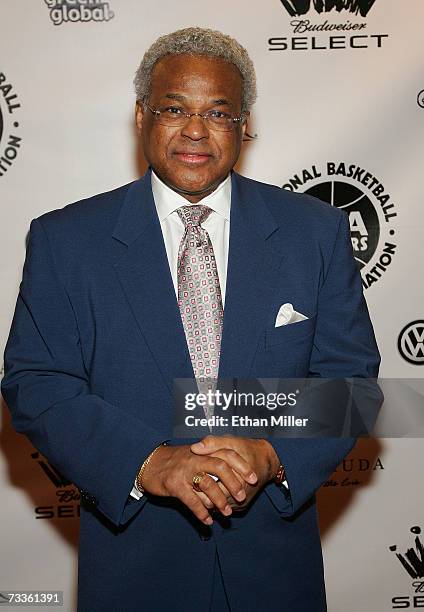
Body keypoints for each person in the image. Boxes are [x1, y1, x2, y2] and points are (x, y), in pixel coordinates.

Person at [1, 27, 380, 612]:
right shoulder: (66, 240)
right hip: (133, 572)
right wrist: (149, 461)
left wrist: (272, 452)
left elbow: (354, 386)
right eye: (174, 108)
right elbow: (36, 383)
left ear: (245, 124)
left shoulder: (314, 232)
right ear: (141, 116)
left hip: (275, 573)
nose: (195, 131)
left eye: (219, 113)